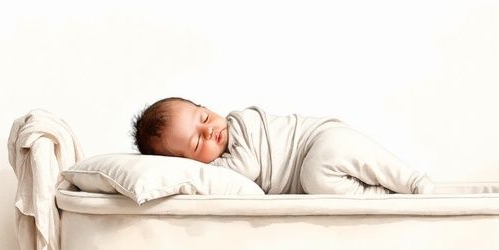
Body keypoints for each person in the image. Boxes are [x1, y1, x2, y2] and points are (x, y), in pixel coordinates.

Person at [131, 96, 434, 195]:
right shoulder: (215, 162)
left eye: (204, 117)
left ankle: (412, 183)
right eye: (198, 142)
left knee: (319, 172)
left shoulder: (242, 124)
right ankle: (386, 197)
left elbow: (247, 168)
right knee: (320, 185)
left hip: (321, 140)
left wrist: (212, 166)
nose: (210, 131)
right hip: (315, 173)